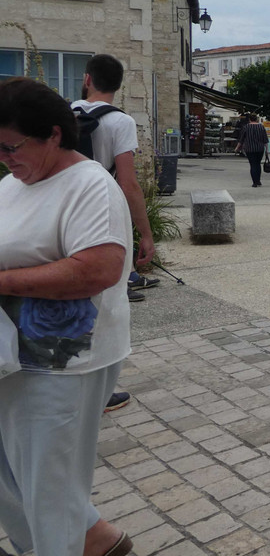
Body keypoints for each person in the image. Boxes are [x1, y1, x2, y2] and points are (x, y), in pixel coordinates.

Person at [0, 77, 135, 556]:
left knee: (49, 485)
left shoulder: (89, 186)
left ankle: (65, 545)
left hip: (62, 362)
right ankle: (92, 538)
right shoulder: (13, 184)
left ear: (54, 134)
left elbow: (98, 269)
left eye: (11, 146)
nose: (4, 157)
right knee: (13, 471)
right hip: (13, 355)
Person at [71, 55, 156, 302]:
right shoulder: (121, 122)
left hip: (67, 202)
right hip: (102, 204)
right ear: (118, 86)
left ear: (87, 79)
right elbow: (128, 184)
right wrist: (146, 234)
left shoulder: (65, 114)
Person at [235, 112, 269, 187]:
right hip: (260, 149)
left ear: (249, 119)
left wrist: (237, 148)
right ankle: (258, 181)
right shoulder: (261, 127)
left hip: (249, 149)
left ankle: (254, 182)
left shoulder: (246, 127)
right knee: (258, 164)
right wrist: (267, 149)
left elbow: (241, 139)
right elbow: (265, 139)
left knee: (253, 164)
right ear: (256, 119)